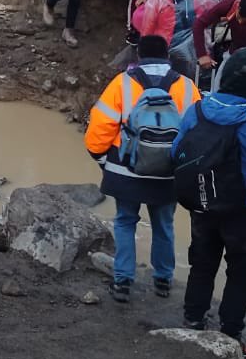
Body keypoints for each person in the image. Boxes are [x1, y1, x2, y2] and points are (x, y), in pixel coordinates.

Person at [176, 49, 246, 353]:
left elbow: (178, 153)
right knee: (241, 274)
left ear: (223, 78)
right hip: (245, 215)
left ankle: (192, 320)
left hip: (202, 204)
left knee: (202, 264)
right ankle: (230, 332)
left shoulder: (196, 111)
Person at [86, 35, 201, 301]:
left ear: (138, 57)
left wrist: (104, 161)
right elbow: (196, 134)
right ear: (167, 56)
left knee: (125, 222)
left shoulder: (122, 84)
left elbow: (99, 131)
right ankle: (163, 280)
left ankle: (123, 282)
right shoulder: (186, 86)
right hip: (169, 173)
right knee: (164, 225)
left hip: (127, 172)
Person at [136, 0, 216, 78]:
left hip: (195, 46)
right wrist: (145, 52)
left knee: (191, 77)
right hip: (166, 48)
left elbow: (209, 17)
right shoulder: (158, 0)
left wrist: (205, 51)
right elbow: (147, 28)